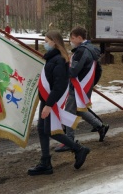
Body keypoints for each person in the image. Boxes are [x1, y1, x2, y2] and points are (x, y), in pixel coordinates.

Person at [28, 31, 90, 176]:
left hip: (51, 101)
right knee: (42, 130)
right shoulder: (51, 58)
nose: (45, 44)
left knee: (49, 130)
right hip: (46, 99)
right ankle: (45, 162)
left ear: (54, 42)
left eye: (46, 41)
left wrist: (49, 105)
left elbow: (59, 85)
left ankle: (79, 149)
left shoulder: (59, 60)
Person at [55, 27, 109, 152]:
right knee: (78, 110)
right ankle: (100, 126)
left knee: (69, 112)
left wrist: (62, 66)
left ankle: (69, 141)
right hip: (82, 86)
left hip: (77, 86)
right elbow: (98, 70)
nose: (71, 40)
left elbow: (73, 71)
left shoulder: (81, 51)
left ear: (80, 38)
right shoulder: (91, 49)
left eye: (72, 38)